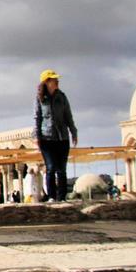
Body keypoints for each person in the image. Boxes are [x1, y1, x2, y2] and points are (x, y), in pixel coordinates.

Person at [33, 69, 78, 203]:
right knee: (51, 167)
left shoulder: (62, 97)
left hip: (62, 138)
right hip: (47, 139)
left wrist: (73, 132)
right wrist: (36, 137)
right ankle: (52, 196)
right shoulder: (40, 99)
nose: (57, 81)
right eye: (54, 80)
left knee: (61, 169)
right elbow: (37, 118)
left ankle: (62, 197)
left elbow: (68, 116)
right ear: (47, 82)